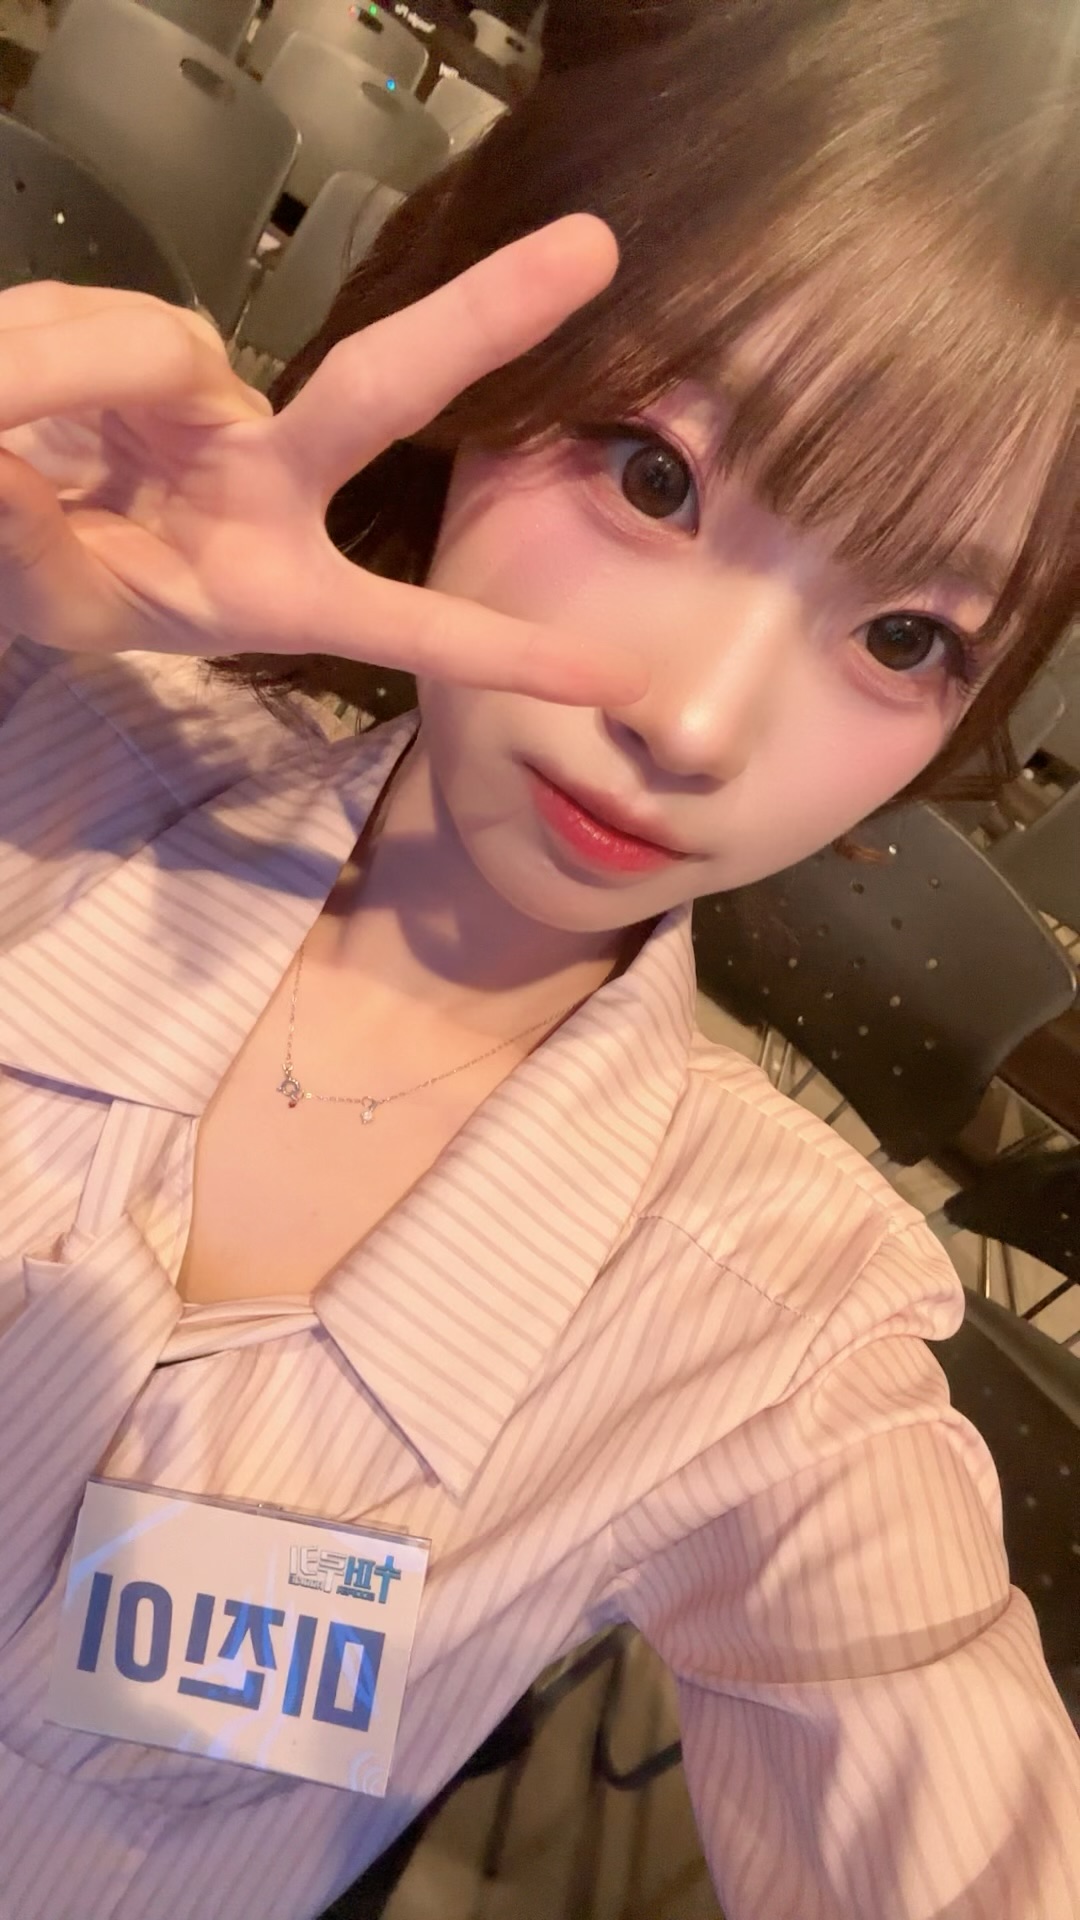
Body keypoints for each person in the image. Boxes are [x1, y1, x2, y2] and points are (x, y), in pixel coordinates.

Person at [0, 0, 1076, 1915]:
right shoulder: (51, 744)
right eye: (656, 477)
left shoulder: (778, 1336)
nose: (697, 725)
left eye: (907, 637)